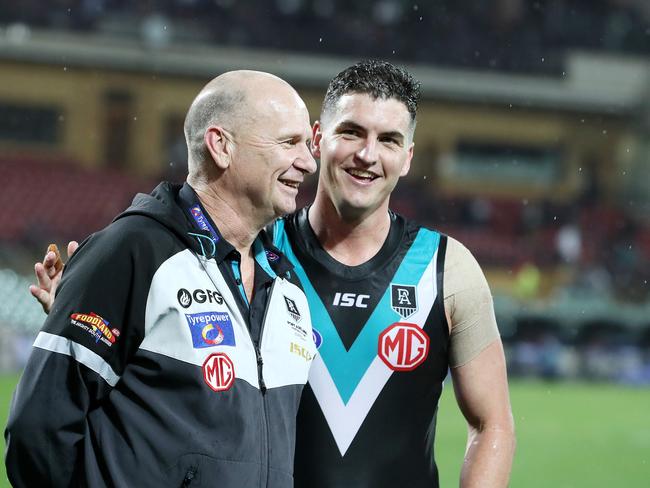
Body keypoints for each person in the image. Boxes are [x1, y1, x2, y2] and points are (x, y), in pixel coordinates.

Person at [28, 60, 516, 487]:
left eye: (388, 140)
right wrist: (90, 306)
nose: (367, 155)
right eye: (350, 133)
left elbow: (493, 422)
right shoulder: (254, 251)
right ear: (320, 139)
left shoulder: (447, 268)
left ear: (408, 157)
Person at [5, 70, 318, 487]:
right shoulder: (134, 250)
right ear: (222, 146)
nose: (308, 161)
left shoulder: (285, 283)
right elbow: (39, 432)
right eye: (289, 143)